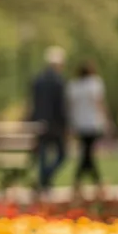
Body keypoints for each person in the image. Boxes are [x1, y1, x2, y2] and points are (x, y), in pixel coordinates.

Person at [29, 45, 69, 195]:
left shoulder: (38, 80)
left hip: (38, 122)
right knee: (62, 155)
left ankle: (43, 180)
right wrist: (65, 124)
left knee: (43, 155)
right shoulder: (59, 81)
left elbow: (33, 103)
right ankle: (45, 178)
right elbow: (61, 106)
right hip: (55, 124)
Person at [68, 59, 108, 199]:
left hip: (79, 124)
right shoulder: (95, 84)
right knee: (88, 154)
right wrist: (106, 120)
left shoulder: (74, 86)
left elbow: (71, 106)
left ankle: (80, 182)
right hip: (92, 123)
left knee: (86, 153)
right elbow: (99, 103)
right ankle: (96, 182)